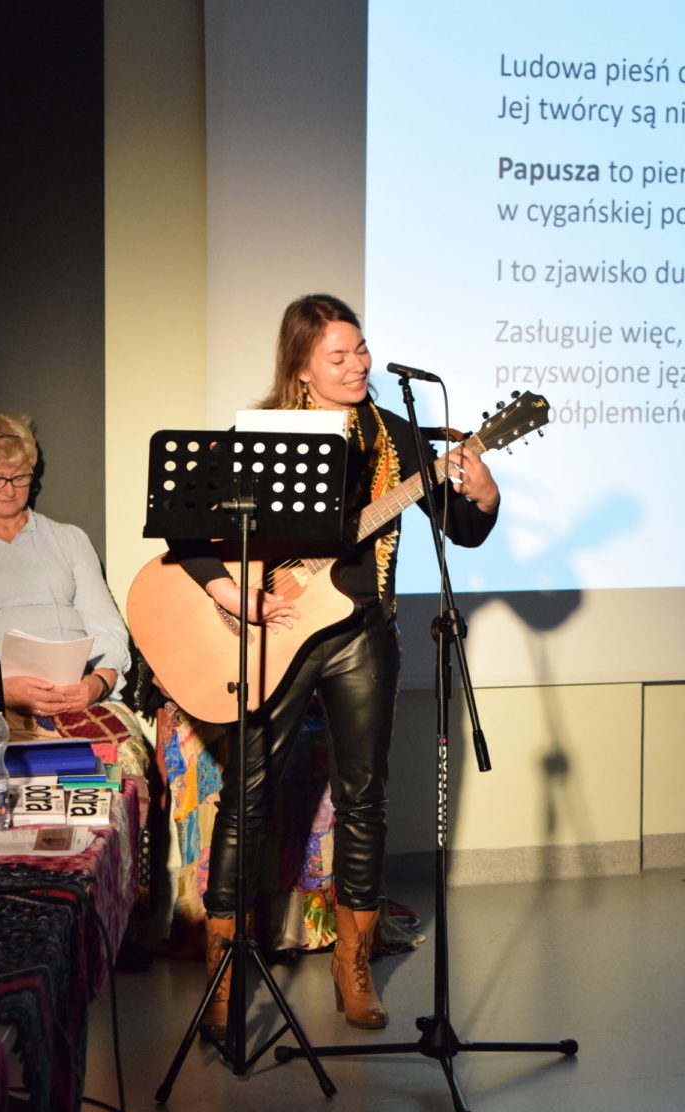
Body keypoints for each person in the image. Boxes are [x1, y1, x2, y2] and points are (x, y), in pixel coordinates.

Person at [175, 294, 500, 1037]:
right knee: (247, 794)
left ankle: (352, 963)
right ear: (301, 368)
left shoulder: (395, 437)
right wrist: (232, 591)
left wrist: (482, 495)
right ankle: (224, 969)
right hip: (277, 633)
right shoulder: (260, 436)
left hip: (363, 634)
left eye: (361, 350)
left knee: (364, 800)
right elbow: (184, 529)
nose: (358, 365)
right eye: (338, 355)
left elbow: (460, 529)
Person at [0, 408, 132, 729]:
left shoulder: (70, 540)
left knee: (119, 751)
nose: (9, 490)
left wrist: (97, 682)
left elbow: (108, 629)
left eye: (20, 477)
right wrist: (0, 691)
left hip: (81, 699)